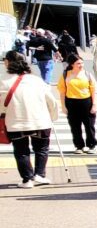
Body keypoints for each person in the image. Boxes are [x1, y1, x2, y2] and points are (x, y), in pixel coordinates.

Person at [1, 51, 60, 187]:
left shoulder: (3, 81)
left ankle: (27, 179)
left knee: (21, 151)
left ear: (8, 62)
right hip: (40, 120)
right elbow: (51, 100)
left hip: (16, 121)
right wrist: (52, 116)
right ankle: (39, 175)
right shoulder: (36, 80)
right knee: (42, 148)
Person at [57, 53, 97, 154]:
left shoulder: (87, 74)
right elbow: (62, 91)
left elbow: (94, 90)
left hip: (86, 101)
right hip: (71, 102)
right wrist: (63, 106)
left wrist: (94, 105)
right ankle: (79, 146)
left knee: (89, 125)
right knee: (75, 126)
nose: (81, 65)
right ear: (72, 64)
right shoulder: (65, 75)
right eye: (78, 63)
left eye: (82, 63)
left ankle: (91, 145)